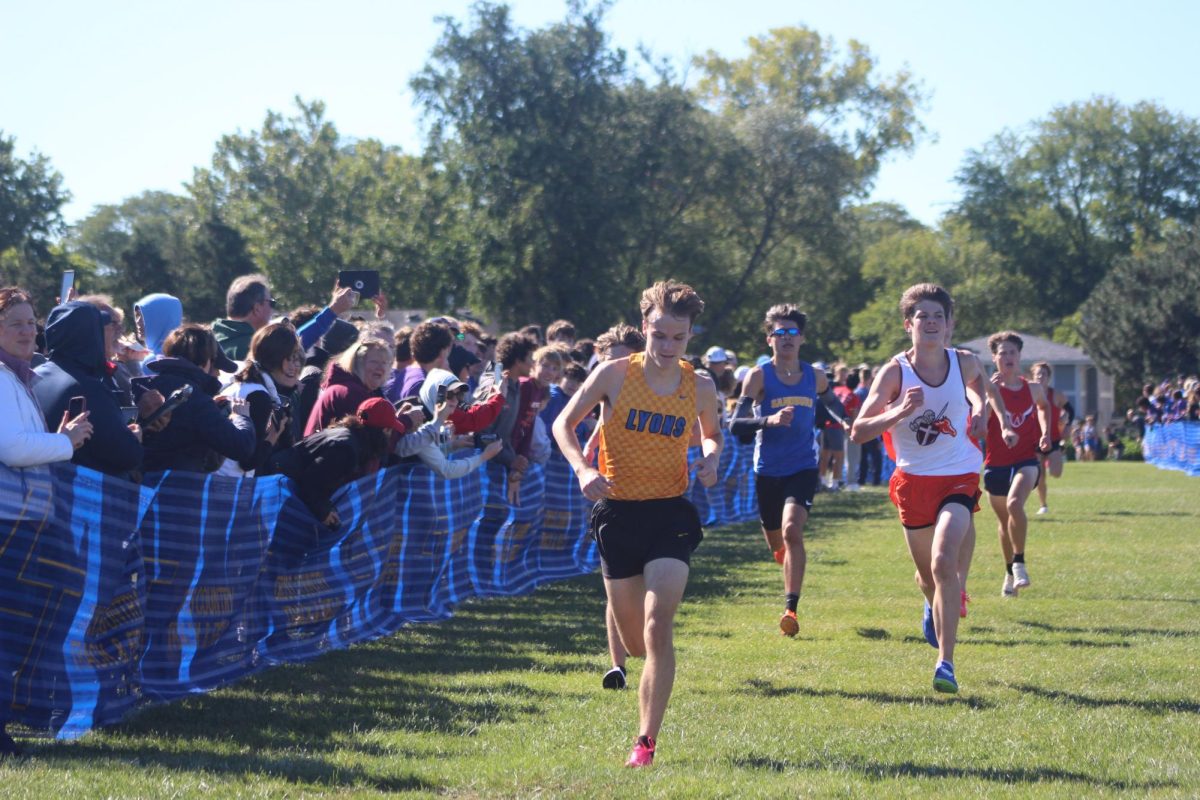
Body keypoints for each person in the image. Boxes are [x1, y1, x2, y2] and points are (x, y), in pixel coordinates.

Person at [553, 280, 722, 768]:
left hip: (669, 512)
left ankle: (645, 742)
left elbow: (712, 436)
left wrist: (710, 460)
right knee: (632, 641)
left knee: (657, 624)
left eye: (679, 338)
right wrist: (584, 470)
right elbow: (563, 424)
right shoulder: (613, 375)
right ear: (645, 327)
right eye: (659, 335)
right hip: (617, 512)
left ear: (689, 336)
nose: (668, 347)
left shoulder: (700, 385)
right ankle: (636, 680)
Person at [851, 283, 1016, 694]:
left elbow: (982, 387)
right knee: (929, 577)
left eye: (938, 316)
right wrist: (900, 410)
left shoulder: (964, 362)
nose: (930, 323)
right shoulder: (894, 372)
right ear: (909, 325)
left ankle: (946, 663)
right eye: (922, 316)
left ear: (949, 325)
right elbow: (858, 432)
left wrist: (979, 411)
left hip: (958, 473)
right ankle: (933, 601)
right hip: (912, 481)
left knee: (945, 562)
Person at [0, 287, 94, 757]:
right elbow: (12, 449)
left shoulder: (18, 377)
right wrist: (66, 444)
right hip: (7, 523)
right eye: (14, 322)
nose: (26, 331)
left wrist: (56, 439)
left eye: (31, 322)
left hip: (22, 521)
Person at [729, 305, 829, 636]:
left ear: (802, 338)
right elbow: (736, 426)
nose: (786, 338)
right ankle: (785, 558)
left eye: (792, 333)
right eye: (779, 333)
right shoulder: (758, 377)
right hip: (768, 470)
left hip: (803, 467)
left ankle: (791, 609)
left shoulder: (816, 377)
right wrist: (768, 420)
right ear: (769, 338)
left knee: (791, 531)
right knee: (777, 540)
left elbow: (826, 403)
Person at [33, 301, 144, 480]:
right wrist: (134, 438)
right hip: (77, 497)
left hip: (40, 491)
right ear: (90, 336)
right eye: (100, 328)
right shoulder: (87, 387)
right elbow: (127, 455)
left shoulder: (32, 376)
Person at [261, 397, 398, 528]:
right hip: (275, 494)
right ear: (384, 431)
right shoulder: (346, 450)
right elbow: (311, 482)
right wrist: (325, 513)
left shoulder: (346, 435)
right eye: (390, 430)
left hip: (276, 486)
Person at [984, 332, 1051, 598]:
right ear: (994, 358)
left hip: (1026, 459)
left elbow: (1044, 407)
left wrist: (1045, 432)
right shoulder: (987, 389)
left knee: (1015, 504)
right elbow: (977, 425)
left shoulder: (1033, 388)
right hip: (995, 462)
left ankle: (1020, 562)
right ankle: (1009, 572)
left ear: (1020, 356)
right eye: (1002, 353)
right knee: (1004, 525)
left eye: (1012, 352)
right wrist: (989, 392)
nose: (1008, 357)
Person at [140, 324, 257, 474]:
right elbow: (242, 447)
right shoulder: (196, 400)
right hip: (176, 490)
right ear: (205, 361)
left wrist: (211, 410)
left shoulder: (147, 387)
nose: (218, 373)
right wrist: (241, 416)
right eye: (215, 363)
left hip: (141, 488)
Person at [216, 323, 304, 476]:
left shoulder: (243, 383)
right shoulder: (258, 396)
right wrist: (273, 435)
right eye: (289, 359)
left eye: (297, 360)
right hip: (229, 486)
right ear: (275, 358)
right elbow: (248, 461)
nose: (294, 367)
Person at [213, 274, 355, 361]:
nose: (273, 310)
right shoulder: (252, 345)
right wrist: (332, 311)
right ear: (257, 308)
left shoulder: (211, 338)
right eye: (271, 303)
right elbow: (294, 344)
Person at [414, 369, 504, 478]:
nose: (455, 401)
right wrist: (484, 456)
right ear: (435, 394)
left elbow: (432, 454)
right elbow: (446, 470)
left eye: (459, 395)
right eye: (449, 395)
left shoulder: (431, 419)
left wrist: (454, 445)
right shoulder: (417, 422)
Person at [1029, 361, 1073, 515]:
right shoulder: (1028, 393)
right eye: (1037, 374)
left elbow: (1071, 411)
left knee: (1056, 473)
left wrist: (1067, 425)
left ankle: (1053, 459)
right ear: (1033, 376)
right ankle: (1043, 505)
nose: (1040, 377)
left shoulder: (1057, 395)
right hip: (1034, 441)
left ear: (1048, 377)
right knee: (1040, 475)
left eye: (1044, 374)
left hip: (1053, 439)